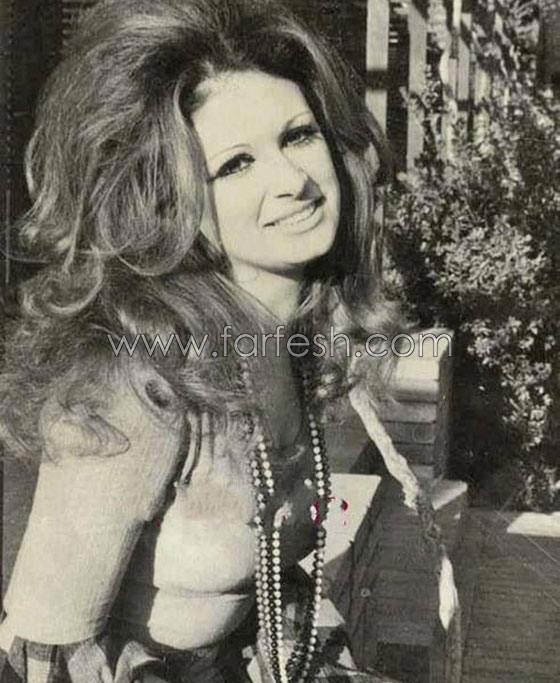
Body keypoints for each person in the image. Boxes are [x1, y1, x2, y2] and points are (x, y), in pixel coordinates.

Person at [0, 1, 460, 681]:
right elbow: (46, 655)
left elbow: (257, 575)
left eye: (299, 136)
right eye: (236, 163)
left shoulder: (289, 343)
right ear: (174, 201)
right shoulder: (138, 380)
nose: (293, 182)